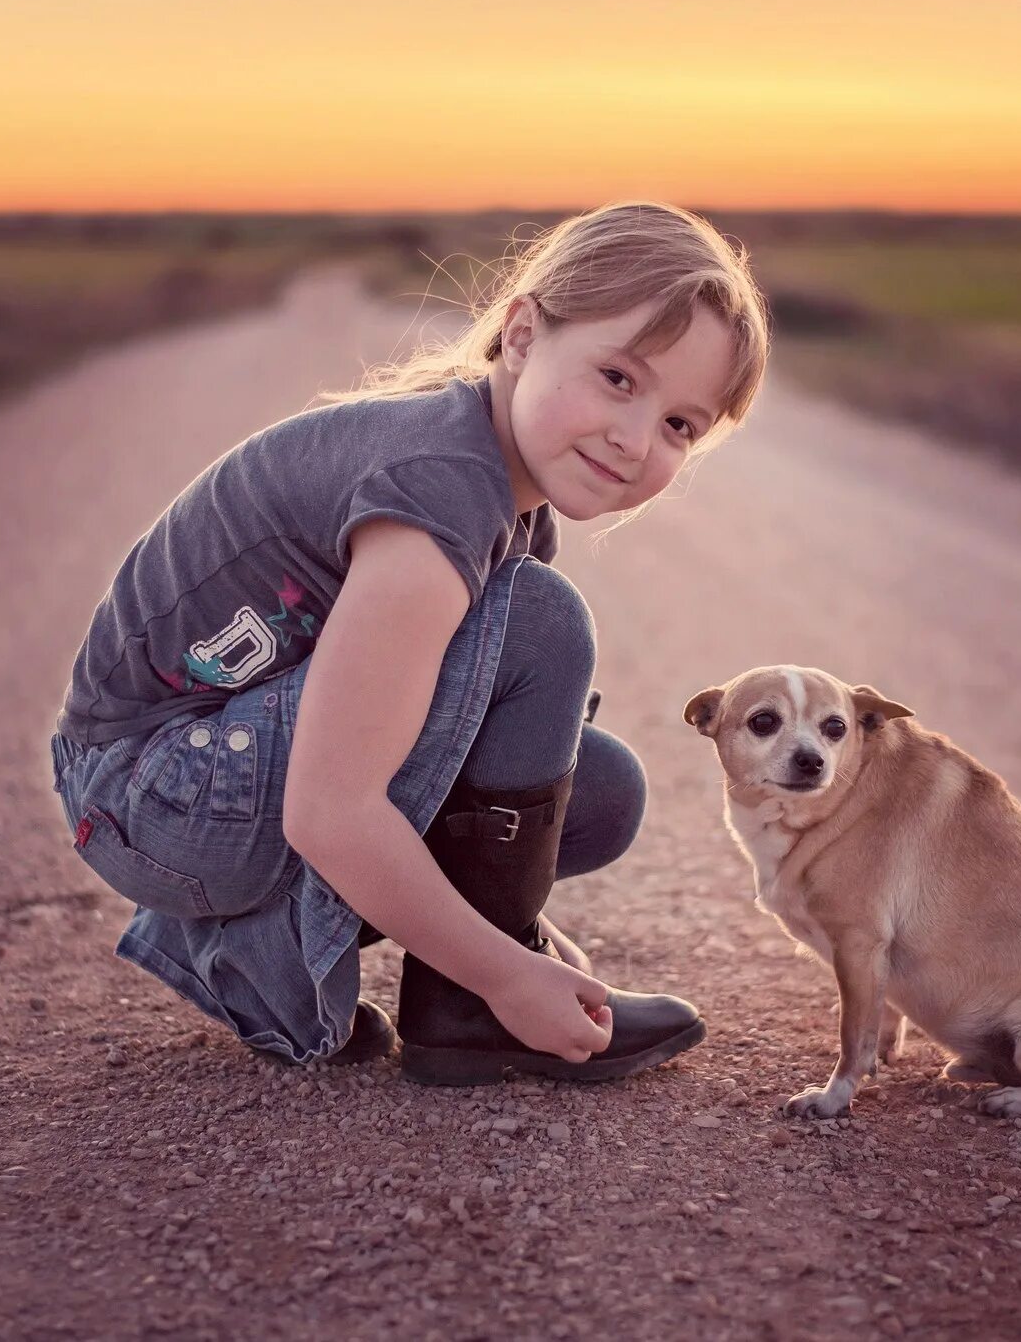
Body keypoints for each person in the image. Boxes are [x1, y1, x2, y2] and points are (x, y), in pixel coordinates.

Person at [47, 200, 772, 1083]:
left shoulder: (510, 494)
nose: (634, 439)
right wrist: (507, 978)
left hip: (201, 786)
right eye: (619, 377)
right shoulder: (439, 487)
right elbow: (331, 808)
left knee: (599, 790)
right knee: (539, 624)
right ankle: (461, 1009)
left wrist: (541, 954)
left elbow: (467, 758)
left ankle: (261, 956)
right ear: (521, 334)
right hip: (153, 790)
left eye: (678, 426)